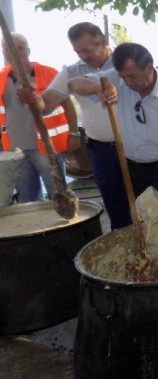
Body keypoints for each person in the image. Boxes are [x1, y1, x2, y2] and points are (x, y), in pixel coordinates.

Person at [68, 42, 158, 216]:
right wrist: (98, 88)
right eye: (123, 77)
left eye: (133, 76)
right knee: (140, 217)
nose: (128, 82)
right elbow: (74, 83)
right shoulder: (116, 79)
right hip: (131, 167)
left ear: (149, 68)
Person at [18, 22, 129, 229]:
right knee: (115, 205)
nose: (83, 56)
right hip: (101, 149)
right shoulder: (72, 71)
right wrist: (34, 99)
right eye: (78, 51)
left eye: (87, 49)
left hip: (134, 146)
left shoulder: (125, 61)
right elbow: (46, 105)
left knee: (141, 200)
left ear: (103, 41)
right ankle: (124, 247)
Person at [0, 33, 78, 203]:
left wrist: (74, 133)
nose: (13, 51)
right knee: (27, 201)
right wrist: (3, 135)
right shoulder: (1, 79)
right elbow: (3, 119)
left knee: (59, 195)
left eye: (19, 47)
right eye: (7, 47)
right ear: (3, 52)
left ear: (28, 50)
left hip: (48, 148)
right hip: (15, 150)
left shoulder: (49, 73)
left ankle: (66, 226)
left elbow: (68, 105)